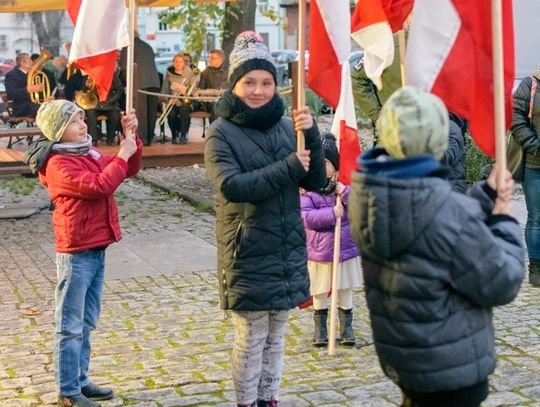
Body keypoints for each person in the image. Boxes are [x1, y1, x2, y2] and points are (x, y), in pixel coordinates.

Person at [348, 87, 524, 407]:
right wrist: (504, 224)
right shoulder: (446, 211)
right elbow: (503, 280)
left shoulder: (370, 194)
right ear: (439, 139)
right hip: (450, 368)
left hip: (406, 360)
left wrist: (483, 194)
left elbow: (427, 226)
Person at [204, 31, 326, 407]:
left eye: (267, 82)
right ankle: (247, 402)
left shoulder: (285, 125)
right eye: (250, 82)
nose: (258, 90)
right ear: (235, 84)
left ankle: (269, 397)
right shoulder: (221, 132)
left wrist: (312, 136)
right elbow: (233, 186)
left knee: (277, 335)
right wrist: (288, 166)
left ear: (277, 84)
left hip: (286, 246)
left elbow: (315, 180)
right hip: (248, 250)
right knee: (252, 338)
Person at [23, 100, 142, 407]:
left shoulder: (86, 153)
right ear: (60, 130)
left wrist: (131, 140)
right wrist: (122, 155)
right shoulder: (59, 164)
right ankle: (68, 390)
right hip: (76, 250)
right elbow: (101, 186)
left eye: (81, 118)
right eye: (76, 121)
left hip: (96, 245)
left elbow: (126, 170)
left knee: (86, 321)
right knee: (70, 324)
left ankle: (81, 379)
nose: (84, 124)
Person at [300, 133, 362, 347]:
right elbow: (307, 218)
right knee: (320, 290)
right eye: (317, 163)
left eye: (326, 163)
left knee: (344, 288)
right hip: (320, 252)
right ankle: (320, 328)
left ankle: (346, 327)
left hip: (343, 250)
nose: (321, 167)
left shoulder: (342, 189)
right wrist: (332, 214)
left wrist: (344, 194)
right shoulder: (308, 193)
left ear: (335, 167)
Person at [510, 66, 540, 286]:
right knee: (537, 218)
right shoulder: (530, 85)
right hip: (535, 164)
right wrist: (536, 147)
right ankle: (536, 268)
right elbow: (516, 120)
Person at [120, 32, 160, 146]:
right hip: (154, 82)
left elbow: (124, 66)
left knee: (141, 113)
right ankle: (150, 136)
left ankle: (142, 139)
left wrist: (124, 82)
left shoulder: (128, 46)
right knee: (151, 113)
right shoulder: (147, 46)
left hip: (140, 83)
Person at [161, 52, 195, 144]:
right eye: (176, 61)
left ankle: (183, 134)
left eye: (180, 62)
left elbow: (193, 89)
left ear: (184, 63)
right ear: (173, 62)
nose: (178, 64)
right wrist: (168, 99)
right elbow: (165, 90)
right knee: (171, 113)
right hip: (172, 99)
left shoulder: (190, 73)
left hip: (185, 99)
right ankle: (174, 133)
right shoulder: (168, 73)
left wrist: (183, 92)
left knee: (184, 110)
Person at [4, 52, 41, 118]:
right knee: (42, 110)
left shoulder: (33, 74)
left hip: (33, 105)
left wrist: (46, 98)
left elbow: (37, 93)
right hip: (22, 108)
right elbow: (11, 94)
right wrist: (27, 89)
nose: (32, 62)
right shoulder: (12, 75)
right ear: (23, 63)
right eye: (30, 60)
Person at [195, 49, 228, 123]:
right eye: (209, 58)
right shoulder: (205, 72)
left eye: (212, 58)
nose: (210, 60)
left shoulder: (228, 71)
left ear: (220, 59)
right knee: (215, 106)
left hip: (224, 100)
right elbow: (201, 89)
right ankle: (214, 131)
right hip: (209, 101)